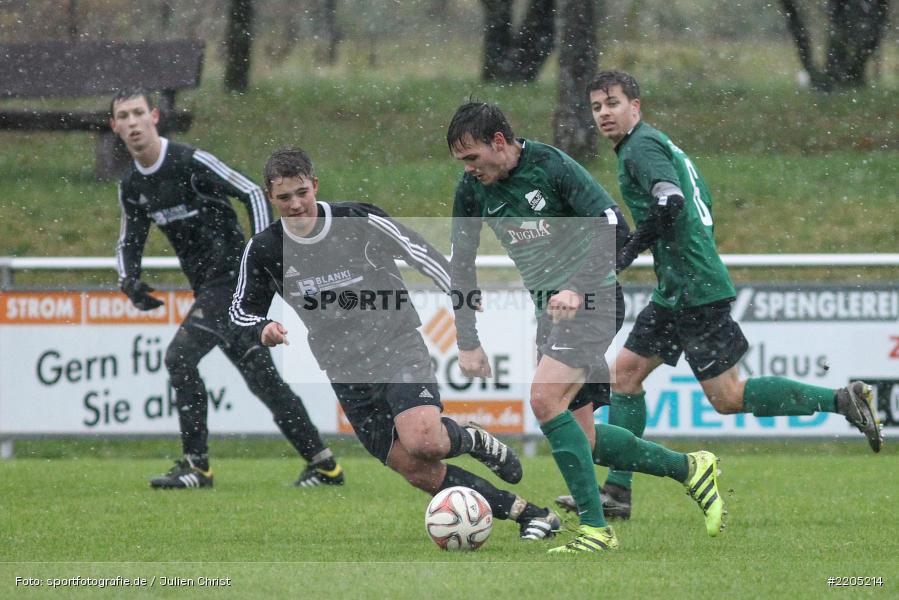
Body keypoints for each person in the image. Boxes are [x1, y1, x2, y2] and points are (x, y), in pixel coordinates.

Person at [555, 70, 883, 519]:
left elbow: (671, 202)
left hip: (694, 288)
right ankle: (617, 492)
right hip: (680, 286)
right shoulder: (659, 144)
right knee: (625, 375)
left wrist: (627, 252)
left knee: (726, 397)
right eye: (596, 107)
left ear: (636, 106)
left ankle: (841, 401)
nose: (604, 113)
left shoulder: (641, 148)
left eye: (612, 103)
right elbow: (693, 202)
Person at [229, 147, 562, 540]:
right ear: (270, 198)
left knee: (425, 440)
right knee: (417, 469)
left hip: (395, 343)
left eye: (302, 192)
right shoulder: (264, 248)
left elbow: (419, 251)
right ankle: (528, 513)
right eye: (284, 197)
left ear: (315, 185)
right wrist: (263, 326)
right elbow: (239, 310)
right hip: (343, 368)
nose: (296, 204)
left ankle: (469, 437)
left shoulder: (359, 220)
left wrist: (459, 291)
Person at [447, 101, 727, 553]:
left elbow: (614, 225)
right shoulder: (472, 189)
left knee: (542, 399)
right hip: (551, 314)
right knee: (587, 439)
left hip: (594, 299)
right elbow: (459, 263)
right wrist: (466, 339)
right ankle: (690, 468)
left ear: (498, 142)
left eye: (472, 157)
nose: (468, 169)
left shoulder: (552, 166)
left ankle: (596, 530)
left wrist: (577, 287)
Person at [111, 90, 341, 489]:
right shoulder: (132, 184)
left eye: (137, 113)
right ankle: (324, 465)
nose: (132, 122)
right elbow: (130, 238)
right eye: (122, 116)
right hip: (210, 289)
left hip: (231, 282)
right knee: (262, 378)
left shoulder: (190, 160)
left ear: (155, 116)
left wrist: (261, 253)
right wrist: (128, 280)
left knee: (179, 358)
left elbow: (252, 191)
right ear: (114, 126)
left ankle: (196, 467)